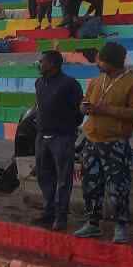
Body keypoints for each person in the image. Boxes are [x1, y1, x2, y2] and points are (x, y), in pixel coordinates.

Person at [74, 41, 133, 243]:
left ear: (111, 62)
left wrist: (106, 110)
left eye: (101, 60)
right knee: (90, 184)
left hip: (115, 143)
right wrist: (84, 108)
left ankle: (121, 226)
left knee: (118, 187)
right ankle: (92, 223)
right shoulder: (97, 81)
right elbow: (85, 102)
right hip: (91, 141)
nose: (97, 63)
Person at [33, 51, 84, 231]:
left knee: (63, 179)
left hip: (62, 137)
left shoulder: (70, 84)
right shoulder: (39, 83)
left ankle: (61, 216)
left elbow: (79, 112)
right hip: (42, 136)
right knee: (43, 174)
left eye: (42, 61)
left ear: (53, 64)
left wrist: (66, 127)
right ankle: (49, 211)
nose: (39, 64)